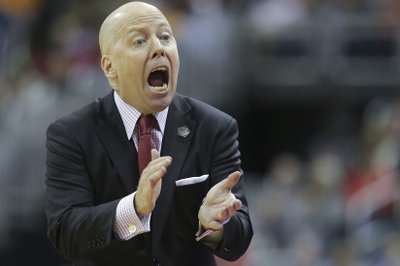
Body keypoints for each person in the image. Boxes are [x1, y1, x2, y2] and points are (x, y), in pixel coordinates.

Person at [45, 2, 253, 266]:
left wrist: (217, 226)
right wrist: (133, 209)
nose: (158, 48)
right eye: (139, 41)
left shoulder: (215, 127)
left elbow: (239, 238)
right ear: (110, 68)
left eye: (165, 37)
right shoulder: (72, 134)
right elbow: (66, 235)